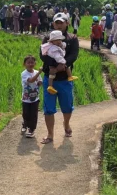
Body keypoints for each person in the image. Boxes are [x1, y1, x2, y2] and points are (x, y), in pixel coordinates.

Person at [39, 12, 79, 144]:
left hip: (64, 79)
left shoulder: (72, 38)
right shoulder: (47, 38)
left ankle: (66, 124)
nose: (59, 24)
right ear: (53, 23)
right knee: (49, 108)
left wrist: (63, 65)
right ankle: (50, 134)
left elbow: (73, 55)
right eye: (57, 22)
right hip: (50, 78)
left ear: (67, 23)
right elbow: (43, 55)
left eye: (62, 22)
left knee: (67, 106)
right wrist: (55, 66)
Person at [21, 55, 43, 138]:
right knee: (26, 114)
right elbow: (31, 80)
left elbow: (40, 82)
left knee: (34, 114)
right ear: (24, 64)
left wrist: (40, 82)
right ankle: (25, 124)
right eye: (28, 62)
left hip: (35, 99)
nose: (30, 64)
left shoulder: (36, 72)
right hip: (26, 99)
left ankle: (31, 129)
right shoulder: (24, 73)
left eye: (32, 62)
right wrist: (39, 73)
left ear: (35, 63)